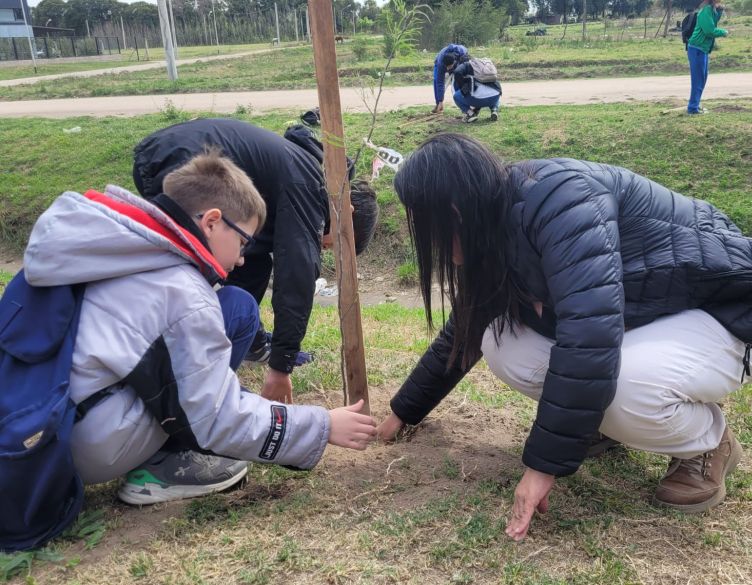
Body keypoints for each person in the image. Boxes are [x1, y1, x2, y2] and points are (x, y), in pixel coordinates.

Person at [377, 133, 752, 542]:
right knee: (503, 344)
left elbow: (589, 332)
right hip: (654, 315)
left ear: (453, 212)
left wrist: (542, 468)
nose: (421, 233)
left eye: (420, 218)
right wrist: (403, 412)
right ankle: (602, 424)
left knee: (627, 385)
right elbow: (465, 330)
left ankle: (707, 443)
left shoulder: (561, 201)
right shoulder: (493, 221)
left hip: (732, 310)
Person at [19, 150, 376, 505]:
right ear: (211, 222)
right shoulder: (182, 291)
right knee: (203, 396)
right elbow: (215, 416)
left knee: (237, 307)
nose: (240, 258)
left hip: (42, 420)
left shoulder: (115, 242)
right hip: (84, 445)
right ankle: (163, 468)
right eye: (242, 241)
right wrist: (321, 425)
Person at [133, 118, 380, 404]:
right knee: (192, 274)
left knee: (254, 259)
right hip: (181, 161)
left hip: (169, 150)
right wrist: (281, 365)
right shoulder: (310, 186)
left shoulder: (306, 173)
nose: (324, 248)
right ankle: (184, 383)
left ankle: (251, 342)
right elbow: (297, 273)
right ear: (343, 221)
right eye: (332, 245)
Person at [687, 0, 728, 115]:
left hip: (702, 49)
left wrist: (719, 10)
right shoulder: (706, 11)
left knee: (702, 79)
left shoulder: (712, 9)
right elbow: (709, 31)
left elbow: (713, 22)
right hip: (697, 49)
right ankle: (692, 108)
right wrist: (724, 32)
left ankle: (695, 105)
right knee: (698, 80)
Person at [431, 44, 469, 114]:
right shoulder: (440, 63)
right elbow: (440, 82)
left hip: (460, 59)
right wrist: (440, 100)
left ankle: (464, 104)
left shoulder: (462, 53)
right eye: (447, 67)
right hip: (439, 61)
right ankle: (439, 104)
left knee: (458, 81)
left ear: (454, 61)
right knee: (436, 81)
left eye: (450, 66)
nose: (448, 69)